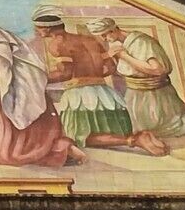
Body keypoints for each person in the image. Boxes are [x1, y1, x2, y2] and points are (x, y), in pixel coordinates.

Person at [0, 19, 80, 167]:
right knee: (25, 129)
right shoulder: (2, 42)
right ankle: (53, 147)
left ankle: (34, 150)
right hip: (20, 89)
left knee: (3, 135)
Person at [35, 11, 152, 150]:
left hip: (79, 96)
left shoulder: (56, 44)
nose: (36, 31)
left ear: (46, 29)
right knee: (103, 131)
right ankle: (132, 139)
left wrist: (39, 78)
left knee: (77, 137)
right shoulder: (90, 39)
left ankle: (134, 140)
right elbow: (110, 68)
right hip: (105, 94)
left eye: (37, 28)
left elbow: (65, 73)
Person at [97, 18, 185, 143]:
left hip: (155, 96)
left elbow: (157, 69)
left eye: (105, 35)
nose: (104, 39)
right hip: (135, 94)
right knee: (129, 127)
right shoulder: (119, 44)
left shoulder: (142, 42)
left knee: (158, 129)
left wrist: (124, 56)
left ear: (114, 30)